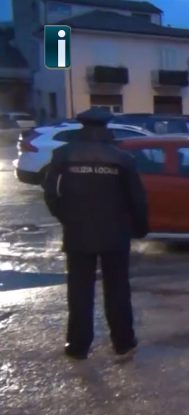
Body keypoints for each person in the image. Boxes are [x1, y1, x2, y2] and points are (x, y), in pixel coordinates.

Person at [42, 107, 149, 360]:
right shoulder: (121, 159)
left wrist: (66, 217)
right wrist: (140, 227)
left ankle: (78, 346)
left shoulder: (63, 154)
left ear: (82, 127)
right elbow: (137, 199)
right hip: (115, 234)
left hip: (77, 234)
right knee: (118, 291)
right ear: (105, 128)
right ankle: (123, 342)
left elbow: (50, 193)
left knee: (79, 292)